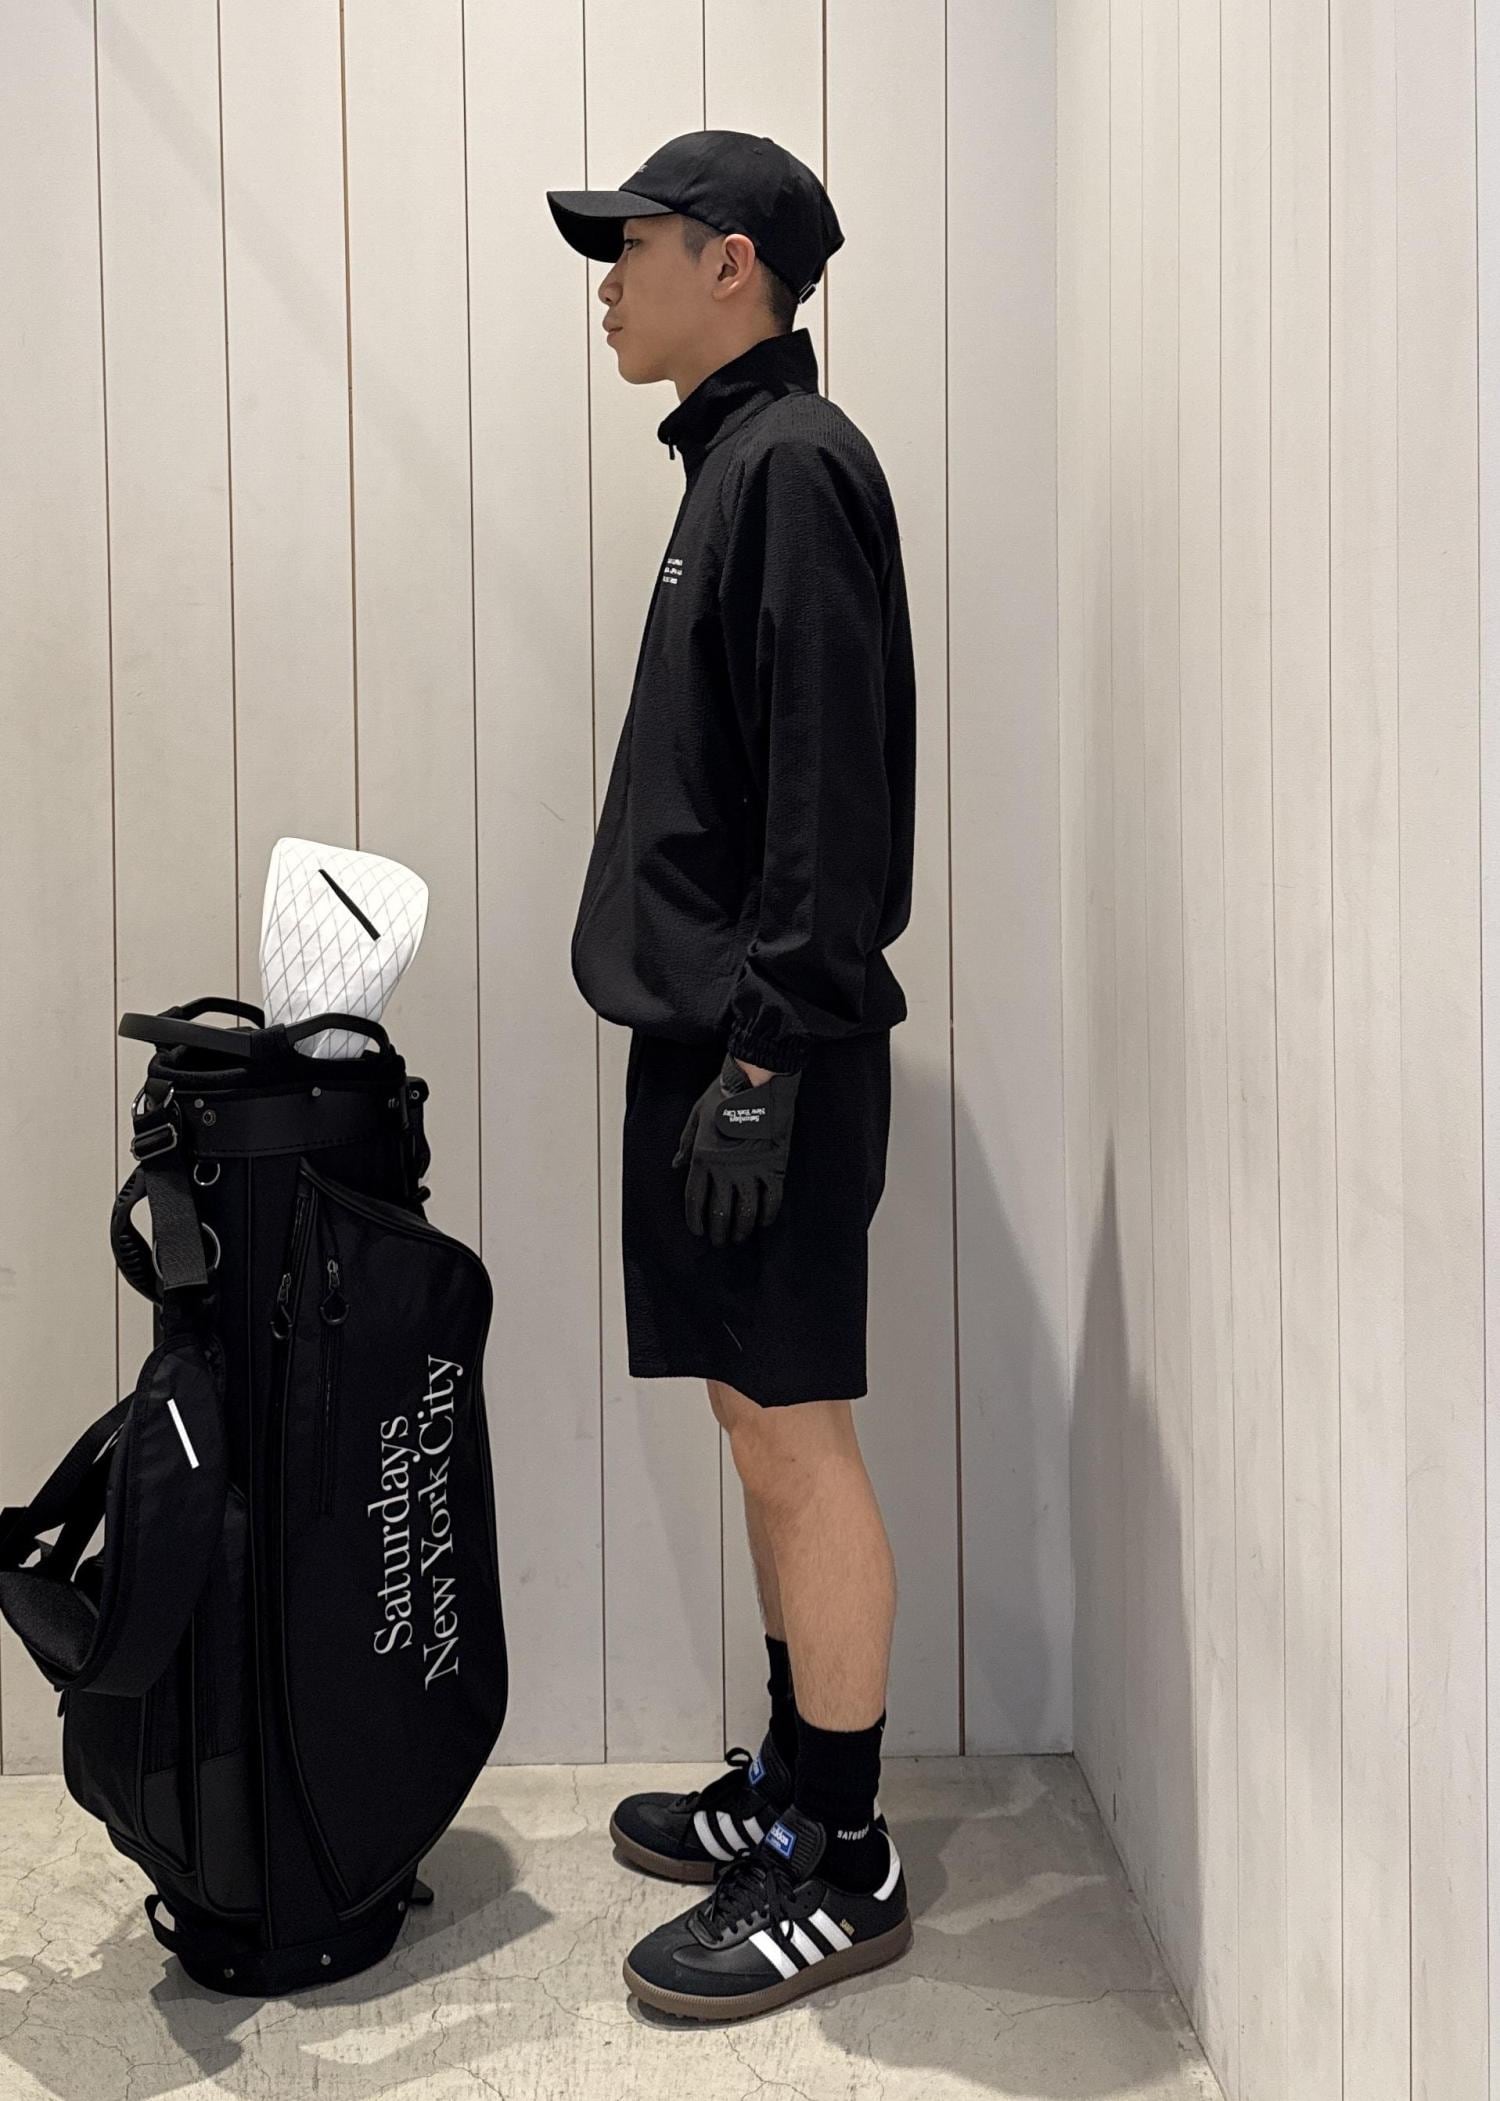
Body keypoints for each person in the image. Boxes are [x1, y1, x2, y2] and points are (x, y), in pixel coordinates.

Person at [546, 128, 917, 2021]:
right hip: (722, 1041)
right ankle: (790, 1781)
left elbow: (829, 797)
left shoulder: (792, 468)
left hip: (769, 1049)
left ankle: (843, 1857)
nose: (607, 280)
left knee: (796, 1429)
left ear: (735, 264)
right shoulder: (734, 466)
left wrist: (766, 1057)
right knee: (755, 1420)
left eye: (635, 244)